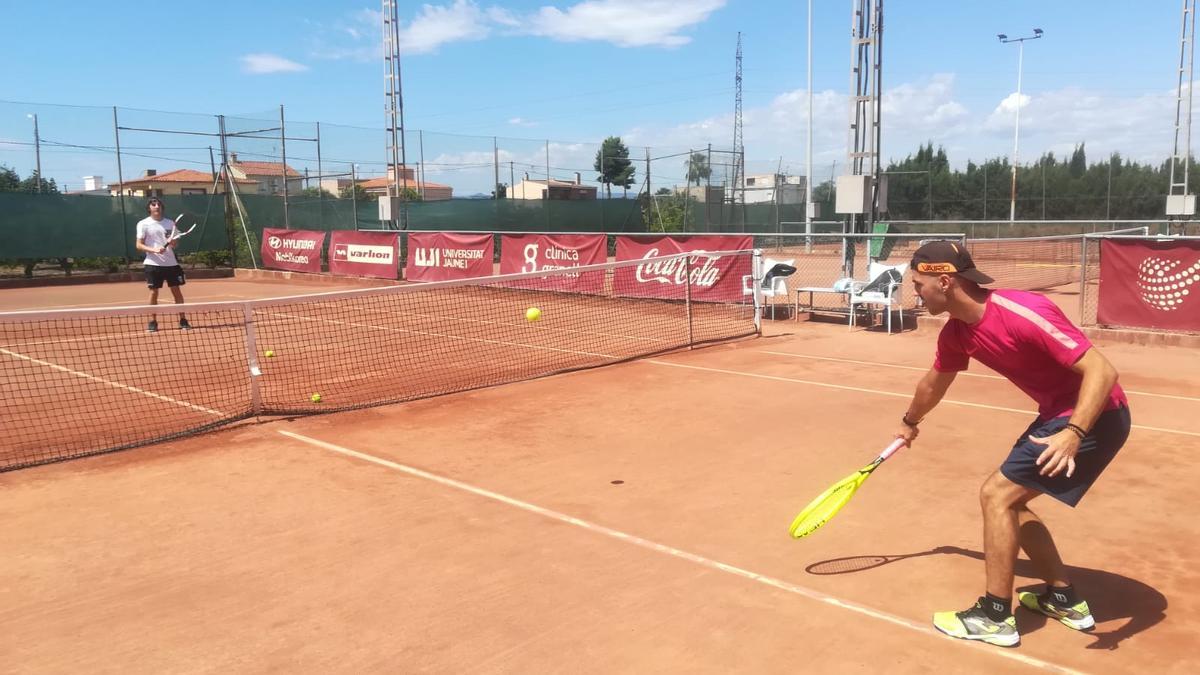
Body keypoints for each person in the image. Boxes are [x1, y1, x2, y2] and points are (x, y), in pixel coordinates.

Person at [895, 240, 1130, 648]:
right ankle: (1064, 599)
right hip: (1060, 413)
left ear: (945, 281)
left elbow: (1102, 371)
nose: (914, 290)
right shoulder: (958, 333)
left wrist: (1073, 434)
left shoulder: (1022, 312)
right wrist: (909, 423)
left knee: (996, 496)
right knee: (1013, 503)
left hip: (1094, 416)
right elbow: (934, 383)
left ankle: (994, 617)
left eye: (918, 283)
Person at [135, 197, 190, 332]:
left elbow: (175, 244)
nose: (156, 206)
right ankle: (152, 322)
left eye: (159, 204)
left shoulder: (170, 223)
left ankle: (183, 320)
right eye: (153, 204)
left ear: (162, 207)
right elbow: (138, 245)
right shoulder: (143, 224)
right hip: (153, 264)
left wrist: (172, 242)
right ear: (149, 208)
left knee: (176, 291)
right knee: (154, 292)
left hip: (171, 264)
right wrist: (154, 250)